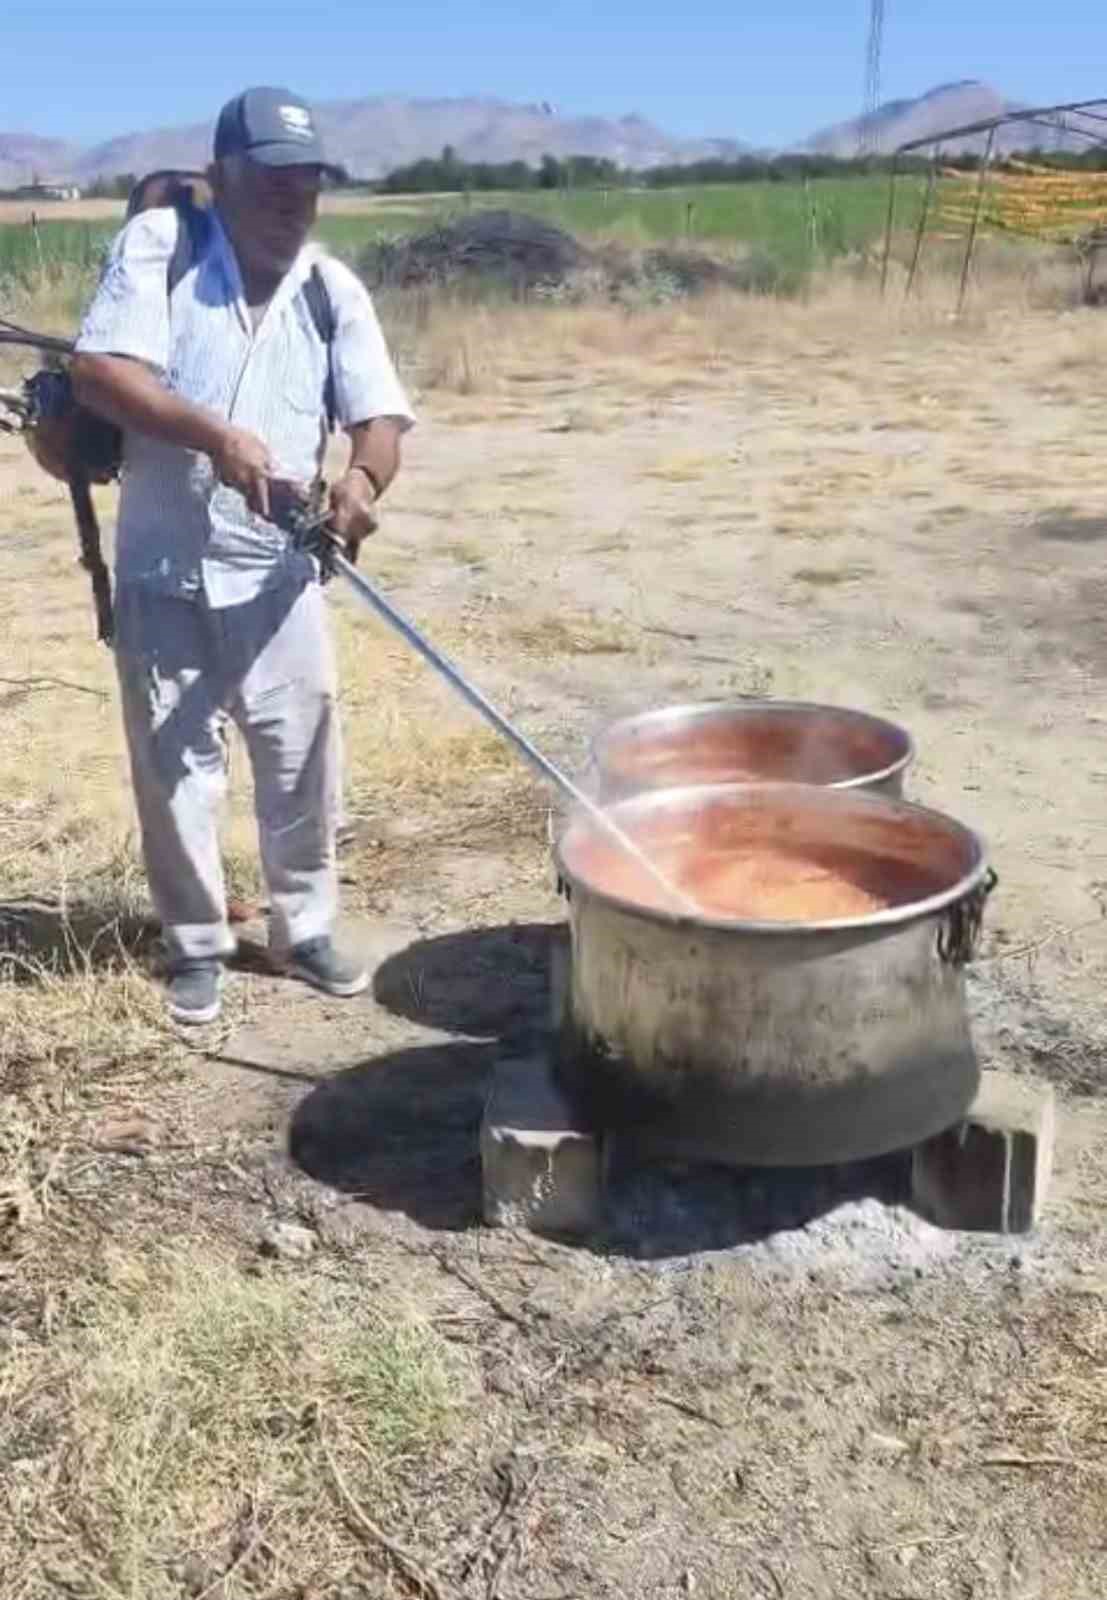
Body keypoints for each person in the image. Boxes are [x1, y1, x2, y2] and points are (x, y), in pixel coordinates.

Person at [70, 86, 415, 1025]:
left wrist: (360, 485)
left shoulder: (329, 287)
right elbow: (101, 371)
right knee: (176, 765)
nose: (290, 202)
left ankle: (302, 930)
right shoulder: (164, 249)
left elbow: (379, 416)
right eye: (270, 181)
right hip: (162, 561)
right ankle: (195, 942)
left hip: (277, 571)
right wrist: (217, 438)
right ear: (220, 178)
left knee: (302, 751)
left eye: (306, 184)